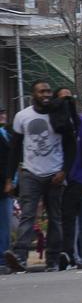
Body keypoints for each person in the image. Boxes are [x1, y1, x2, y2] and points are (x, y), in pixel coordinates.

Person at [4, 80, 76, 272]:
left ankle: (52, 259)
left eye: (48, 91)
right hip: (30, 173)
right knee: (28, 216)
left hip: (55, 174)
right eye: (41, 92)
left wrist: (64, 171)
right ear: (33, 95)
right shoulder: (22, 116)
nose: (45, 95)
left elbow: (71, 146)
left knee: (55, 217)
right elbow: (15, 149)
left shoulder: (59, 114)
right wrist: (10, 179)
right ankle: (19, 256)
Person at [53, 88, 82, 271]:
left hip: (81, 180)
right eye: (63, 99)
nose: (67, 103)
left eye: (70, 99)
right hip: (58, 180)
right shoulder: (53, 124)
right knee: (64, 221)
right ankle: (67, 255)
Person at [0, 108, 12, 259]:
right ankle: (2, 257)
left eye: (3, 113)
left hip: (7, 185)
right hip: (3, 184)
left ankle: (4, 255)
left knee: (5, 224)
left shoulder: (6, 134)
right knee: (4, 224)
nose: (3, 115)